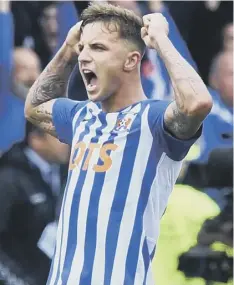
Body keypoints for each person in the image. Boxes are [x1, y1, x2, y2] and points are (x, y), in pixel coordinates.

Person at [24, 3, 212, 284]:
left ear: (131, 61)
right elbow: (35, 106)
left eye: (98, 48)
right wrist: (67, 47)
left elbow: (197, 103)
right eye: (83, 48)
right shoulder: (81, 115)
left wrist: (161, 40)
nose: (84, 57)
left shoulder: (154, 119)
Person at [0, 122, 69, 285]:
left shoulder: (64, 172)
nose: (68, 143)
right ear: (36, 138)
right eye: (61, 137)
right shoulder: (8, 178)